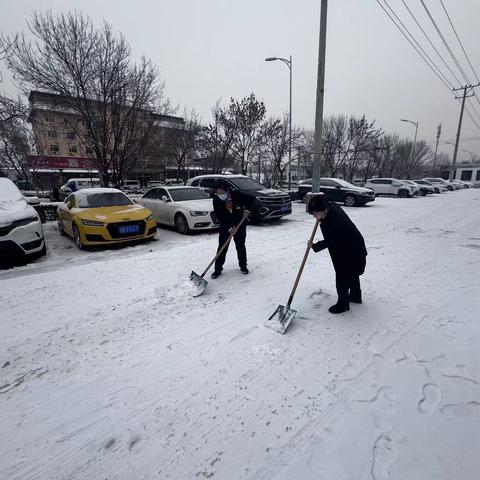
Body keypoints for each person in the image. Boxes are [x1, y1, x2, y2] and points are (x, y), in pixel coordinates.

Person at [307, 194, 367, 314]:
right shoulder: (331, 208)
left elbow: (331, 240)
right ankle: (355, 296)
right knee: (352, 272)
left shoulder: (334, 221)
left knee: (342, 275)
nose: (314, 216)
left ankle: (343, 304)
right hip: (353, 246)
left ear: (323, 210)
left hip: (349, 250)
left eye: (314, 213)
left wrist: (314, 246)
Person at [211, 180, 252, 279]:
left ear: (227, 190)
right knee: (222, 247)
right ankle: (217, 270)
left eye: (222, 192)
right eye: (218, 192)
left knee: (240, 246)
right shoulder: (216, 200)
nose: (220, 195)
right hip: (225, 225)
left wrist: (247, 210)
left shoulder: (237, 195)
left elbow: (251, 199)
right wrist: (229, 228)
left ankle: (243, 266)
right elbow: (219, 217)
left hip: (239, 224)